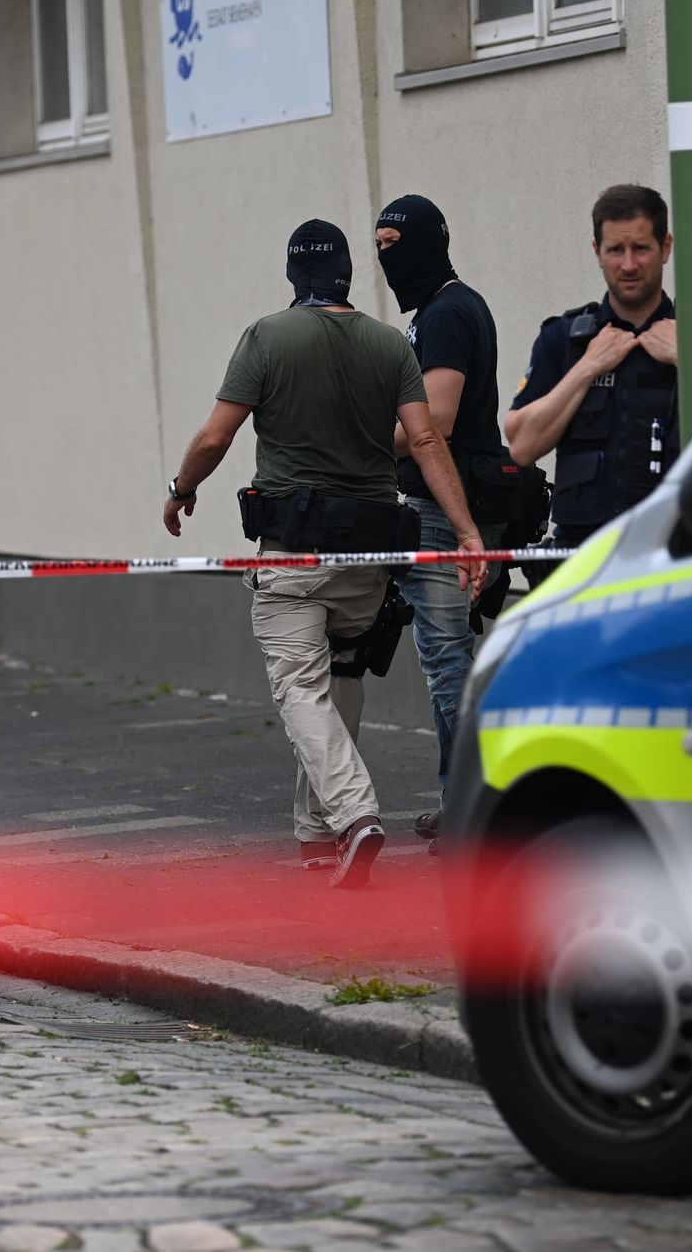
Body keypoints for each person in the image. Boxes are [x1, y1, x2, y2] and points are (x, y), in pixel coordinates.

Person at [163, 219, 485, 890]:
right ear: (347, 272)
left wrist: (182, 488)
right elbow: (427, 443)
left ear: (293, 276)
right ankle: (315, 836)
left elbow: (216, 435)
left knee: (300, 689)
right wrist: (467, 531)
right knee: (341, 677)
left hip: (294, 555)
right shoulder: (391, 344)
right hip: (369, 559)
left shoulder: (266, 336)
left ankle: (354, 814)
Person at [373, 194, 509, 850]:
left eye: (394, 243)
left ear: (430, 241)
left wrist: (365, 433)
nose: (384, 257)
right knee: (450, 663)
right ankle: (463, 800)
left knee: (448, 664)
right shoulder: (444, 308)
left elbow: (440, 419)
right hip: (449, 508)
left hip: (443, 512)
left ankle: (477, 809)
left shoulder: (450, 313)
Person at [507, 183, 692, 550]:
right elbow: (522, 445)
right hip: (589, 555)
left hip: (683, 549)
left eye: (641, 249)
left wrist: (691, 359)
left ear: (665, 247)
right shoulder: (564, 339)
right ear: (597, 252)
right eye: (616, 250)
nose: (629, 264)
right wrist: (588, 367)